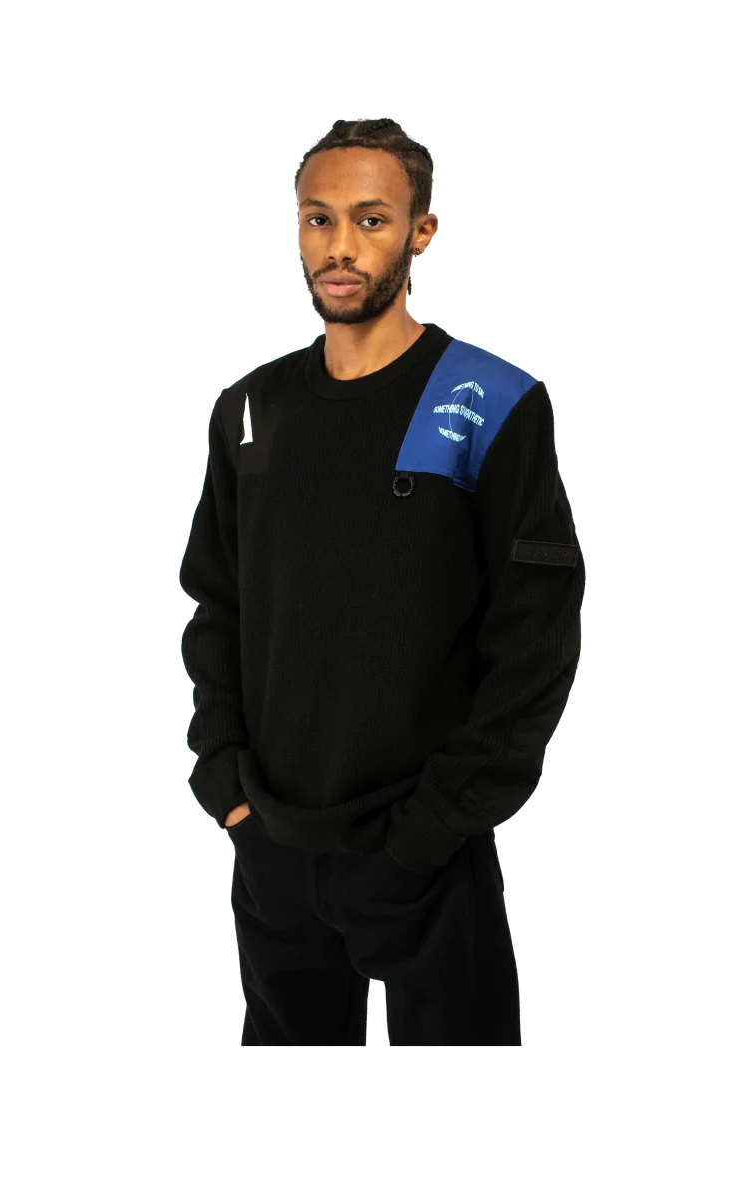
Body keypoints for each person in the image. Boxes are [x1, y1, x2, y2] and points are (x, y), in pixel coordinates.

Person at [180, 118, 584, 1047]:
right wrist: (226, 782)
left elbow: (535, 631)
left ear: (421, 231)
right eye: (317, 219)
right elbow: (216, 605)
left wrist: (437, 823)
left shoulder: (488, 403)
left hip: (422, 850)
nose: (339, 247)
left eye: (370, 219)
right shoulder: (249, 412)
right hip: (273, 844)